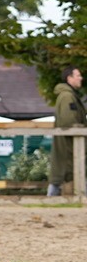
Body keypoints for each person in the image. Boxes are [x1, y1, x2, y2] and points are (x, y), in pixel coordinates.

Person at [49, 66, 85, 196]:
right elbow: (68, 121)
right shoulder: (67, 97)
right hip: (69, 143)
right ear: (69, 78)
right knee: (64, 173)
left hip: (69, 143)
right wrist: (79, 129)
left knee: (62, 173)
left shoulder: (68, 96)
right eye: (78, 75)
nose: (81, 78)